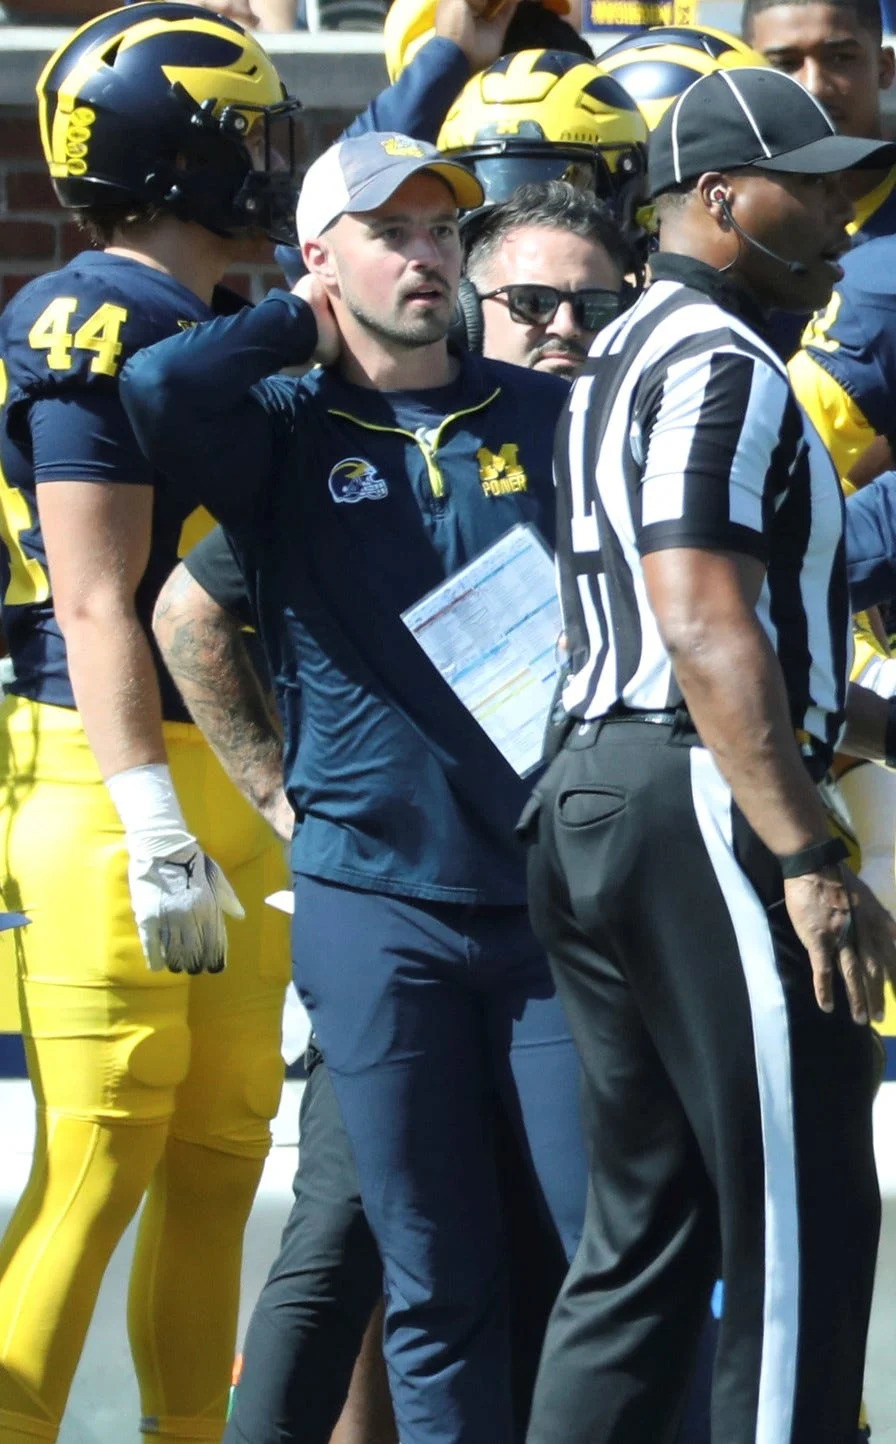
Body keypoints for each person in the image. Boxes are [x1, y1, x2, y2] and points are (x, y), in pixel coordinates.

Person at [119, 129, 593, 1444]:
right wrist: (275, 794)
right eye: (390, 232)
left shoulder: (550, 417)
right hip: (374, 906)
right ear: (322, 260)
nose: (428, 252)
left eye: (443, 231)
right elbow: (159, 389)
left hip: (551, 905)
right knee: (435, 1274)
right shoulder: (280, 429)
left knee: (588, 1256)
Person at [517, 65, 896, 1444]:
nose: (849, 216)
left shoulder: (625, 351)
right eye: (819, 187)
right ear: (721, 199)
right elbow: (695, 612)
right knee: (802, 1217)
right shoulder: (720, 359)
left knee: (645, 1240)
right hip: (696, 798)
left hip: (601, 788)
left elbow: (685, 621)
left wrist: (855, 726)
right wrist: (807, 850)